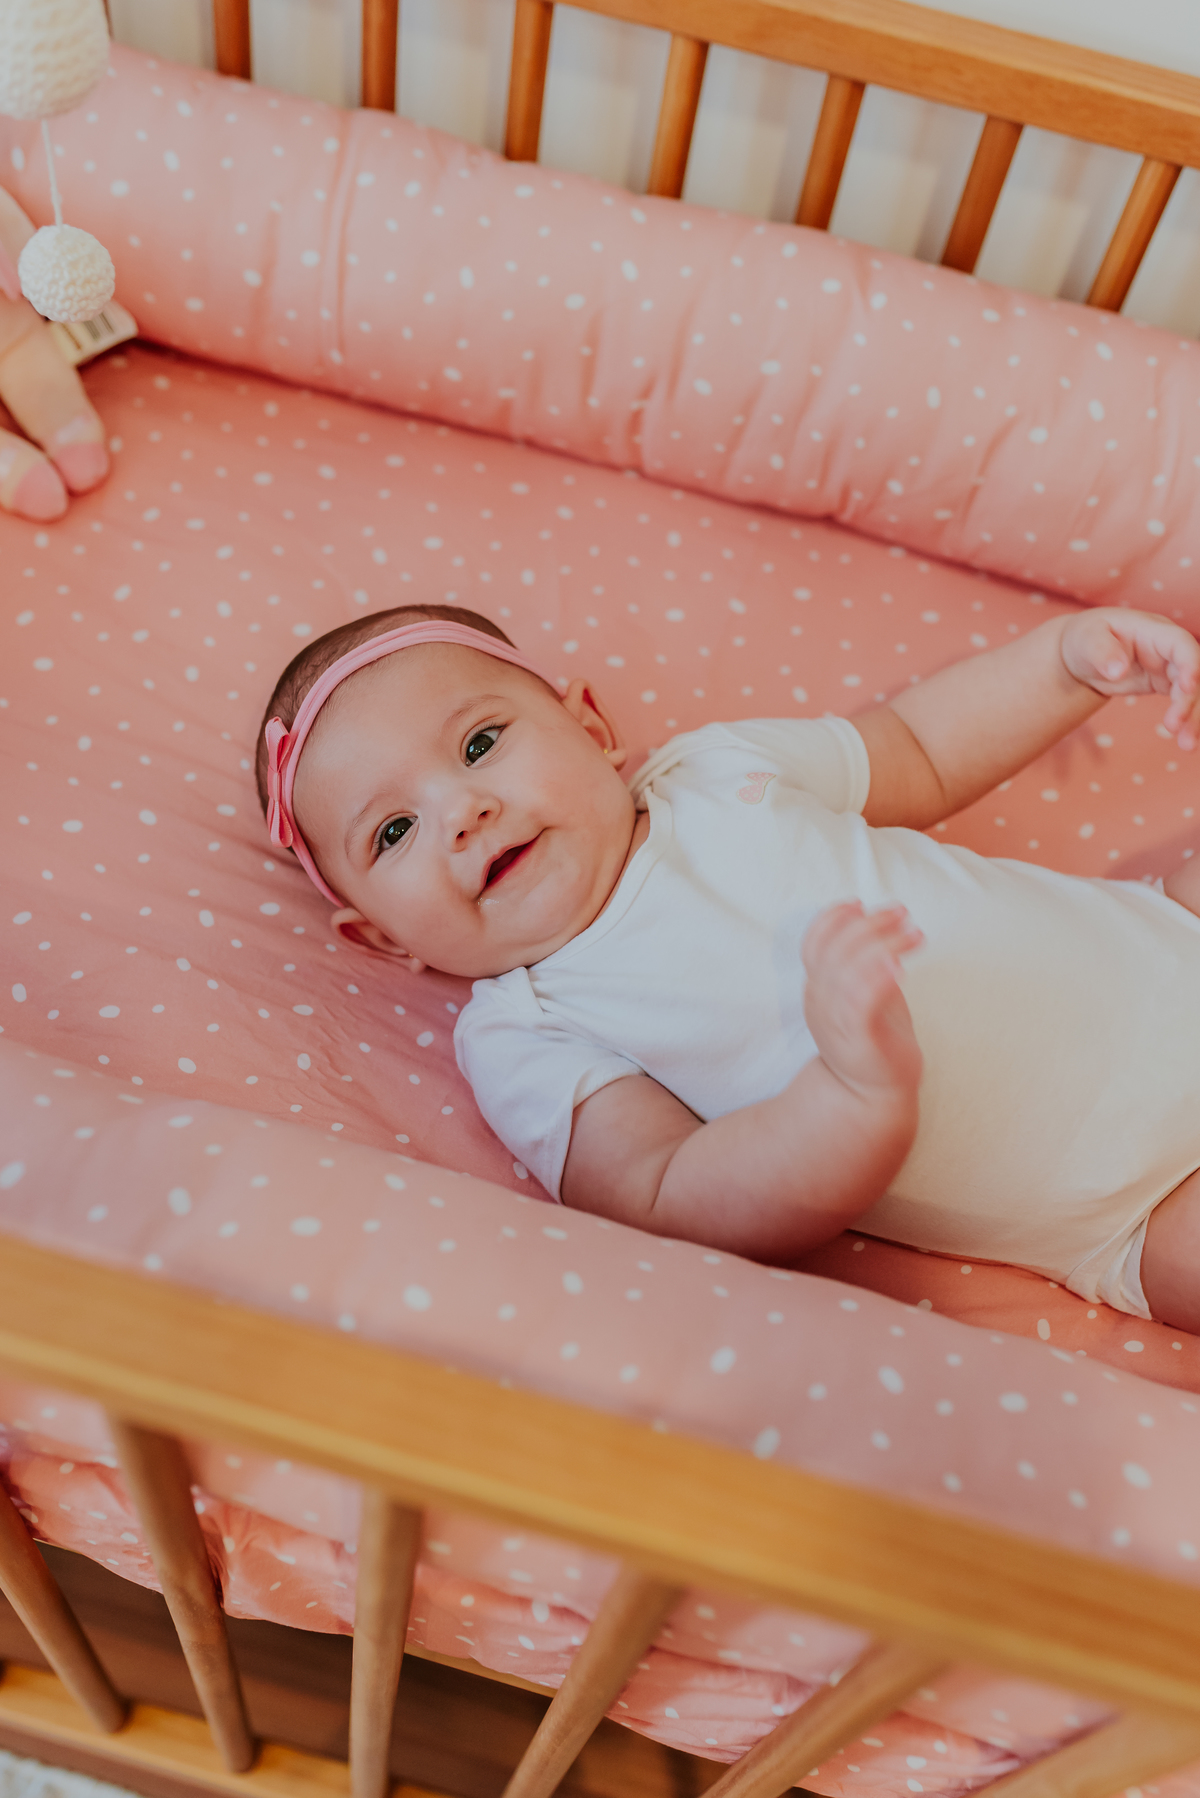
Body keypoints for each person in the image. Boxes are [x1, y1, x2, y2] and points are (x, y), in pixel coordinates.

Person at [256, 598, 1200, 1332]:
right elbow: (666, 1196)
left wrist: (1065, 662)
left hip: (1171, 935)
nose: (461, 811)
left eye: (479, 744)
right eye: (393, 830)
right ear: (382, 938)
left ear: (587, 727)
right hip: (1135, 1208)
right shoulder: (527, 1028)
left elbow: (915, 746)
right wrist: (849, 1095)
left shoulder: (720, 771)